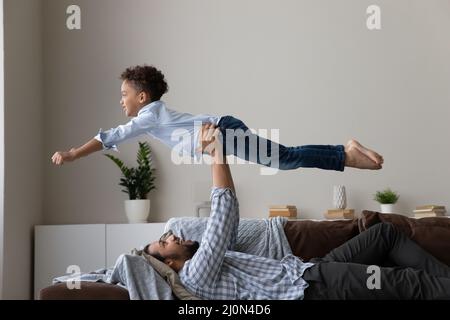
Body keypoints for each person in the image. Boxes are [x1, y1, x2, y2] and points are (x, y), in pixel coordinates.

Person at [144, 124, 450, 300]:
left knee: (383, 234)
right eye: (165, 241)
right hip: (310, 290)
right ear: (170, 263)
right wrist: (215, 152)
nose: (173, 235)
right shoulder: (196, 275)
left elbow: (229, 221)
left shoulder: (200, 265)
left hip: (304, 271)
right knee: (405, 283)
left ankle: (344, 153)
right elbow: (223, 215)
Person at [51, 65, 384, 172]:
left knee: (286, 159)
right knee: (287, 156)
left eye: (124, 94)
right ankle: (345, 150)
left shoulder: (148, 115)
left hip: (223, 131)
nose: (120, 100)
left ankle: (345, 154)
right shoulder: (154, 116)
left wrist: (72, 154)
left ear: (142, 97)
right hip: (223, 129)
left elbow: (112, 135)